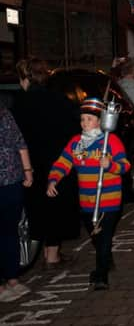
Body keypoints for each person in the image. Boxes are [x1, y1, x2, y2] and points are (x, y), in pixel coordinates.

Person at [46, 98, 130, 291]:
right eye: (82, 119)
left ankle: (100, 275)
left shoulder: (111, 141)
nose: (85, 123)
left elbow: (125, 165)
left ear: (100, 121)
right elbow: (63, 162)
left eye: (89, 119)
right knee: (96, 237)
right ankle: (106, 259)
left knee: (105, 236)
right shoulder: (76, 143)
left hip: (109, 200)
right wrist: (53, 179)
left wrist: (110, 166)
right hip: (87, 201)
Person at [13, 58, 80, 268]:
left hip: (29, 164)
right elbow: (76, 129)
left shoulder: (19, 104)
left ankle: (46, 253)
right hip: (57, 162)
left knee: (37, 208)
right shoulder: (59, 100)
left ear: (25, 78)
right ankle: (52, 254)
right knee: (55, 207)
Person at [0, 106, 33, 302]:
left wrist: (28, 170)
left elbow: (20, 143)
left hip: (11, 180)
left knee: (9, 231)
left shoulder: (3, 112)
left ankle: (12, 278)